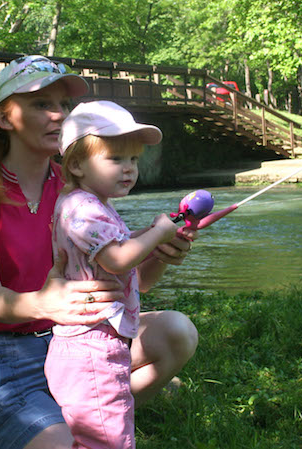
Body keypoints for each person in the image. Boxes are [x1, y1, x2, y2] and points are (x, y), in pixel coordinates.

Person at [0, 56, 198, 449]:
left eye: (63, 106)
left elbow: (128, 277)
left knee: (176, 333)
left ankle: (96, 410)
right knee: (59, 445)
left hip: (71, 341)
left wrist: (158, 252)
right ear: (5, 118)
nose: (58, 115)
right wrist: (45, 303)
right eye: (42, 104)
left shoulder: (78, 186)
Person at [45, 100, 179, 449]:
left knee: (104, 431)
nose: (129, 169)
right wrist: (157, 234)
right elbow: (119, 259)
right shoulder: (82, 209)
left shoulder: (95, 205)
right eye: (115, 159)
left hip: (99, 345)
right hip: (90, 348)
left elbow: (131, 265)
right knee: (107, 439)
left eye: (133, 159)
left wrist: (154, 242)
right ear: (75, 164)